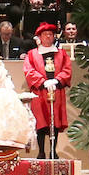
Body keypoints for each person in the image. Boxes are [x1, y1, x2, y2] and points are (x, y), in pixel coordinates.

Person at [23, 23, 72, 158]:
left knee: (54, 122)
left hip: (56, 90)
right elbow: (29, 70)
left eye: (50, 34)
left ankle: (53, 151)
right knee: (41, 121)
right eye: (45, 35)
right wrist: (43, 81)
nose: (48, 37)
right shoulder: (32, 54)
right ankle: (41, 151)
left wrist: (57, 80)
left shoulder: (61, 53)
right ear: (40, 37)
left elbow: (67, 69)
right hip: (40, 92)